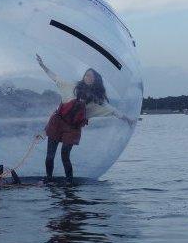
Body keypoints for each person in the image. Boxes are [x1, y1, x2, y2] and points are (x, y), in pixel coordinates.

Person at [36, 54, 133, 182]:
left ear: (95, 80)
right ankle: (49, 180)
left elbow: (112, 110)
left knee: (65, 153)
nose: (87, 77)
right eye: (86, 75)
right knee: (50, 155)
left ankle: (69, 183)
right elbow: (56, 78)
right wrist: (43, 66)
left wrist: (128, 119)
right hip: (57, 122)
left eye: (91, 76)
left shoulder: (96, 98)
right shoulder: (73, 86)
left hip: (72, 127)